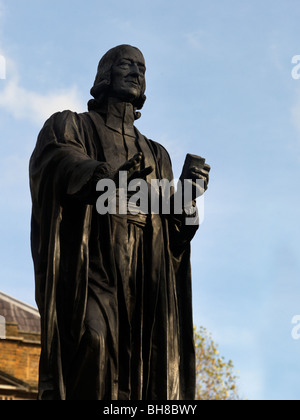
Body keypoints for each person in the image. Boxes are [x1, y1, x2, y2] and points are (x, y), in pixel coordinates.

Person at [29, 44, 210, 400]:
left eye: (142, 68)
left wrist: (188, 193)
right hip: (94, 262)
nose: (136, 72)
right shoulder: (73, 125)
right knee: (94, 341)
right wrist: (107, 178)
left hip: (146, 272)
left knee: (143, 374)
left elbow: (175, 233)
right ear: (105, 74)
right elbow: (58, 162)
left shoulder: (157, 154)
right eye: (127, 64)